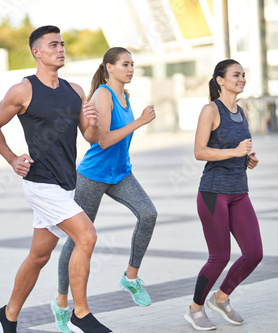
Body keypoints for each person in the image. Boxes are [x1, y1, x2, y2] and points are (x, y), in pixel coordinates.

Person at [0, 25, 112, 333]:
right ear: (37, 52)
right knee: (87, 236)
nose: (61, 49)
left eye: (63, 44)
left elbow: (92, 138)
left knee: (39, 256)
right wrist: (12, 158)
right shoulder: (23, 90)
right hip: (40, 183)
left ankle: (9, 314)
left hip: (66, 185)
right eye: (53, 44)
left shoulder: (75, 91)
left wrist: (93, 123)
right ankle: (79, 314)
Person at [51, 47, 158, 332]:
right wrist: (139, 122)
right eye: (125, 64)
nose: (131, 69)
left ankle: (131, 278)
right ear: (109, 67)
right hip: (93, 175)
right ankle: (62, 303)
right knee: (76, 241)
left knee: (148, 214)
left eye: (133, 64)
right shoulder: (102, 95)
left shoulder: (126, 95)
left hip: (121, 173)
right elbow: (103, 141)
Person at [184, 59, 263, 331]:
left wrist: (247, 160)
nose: (241, 79)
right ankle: (195, 308)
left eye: (243, 75)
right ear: (220, 80)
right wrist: (235, 152)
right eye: (235, 75)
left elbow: (239, 151)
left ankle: (221, 298)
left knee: (254, 253)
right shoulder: (210, 110)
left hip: (239, 191)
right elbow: (199, 152)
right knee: (219, 257)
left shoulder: (243, 112)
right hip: (213, 192)